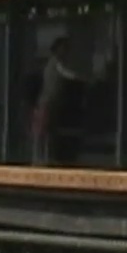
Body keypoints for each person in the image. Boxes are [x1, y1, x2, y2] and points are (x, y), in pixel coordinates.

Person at [32, 36, 86, 166]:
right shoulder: (54, 62)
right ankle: (39, 157)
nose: (65, 52)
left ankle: (47, 156)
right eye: (63, 48)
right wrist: (79, 77)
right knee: (42, 131)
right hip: (47, 102)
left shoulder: (56, 62)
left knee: (50, 131)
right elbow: (64, 72)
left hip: (54, 102)